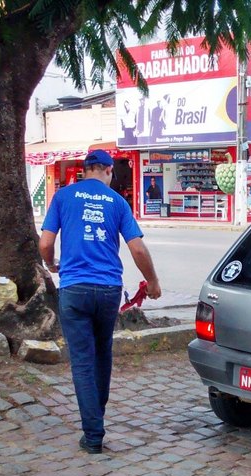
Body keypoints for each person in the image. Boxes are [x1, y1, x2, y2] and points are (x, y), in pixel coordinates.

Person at [39, 150, 161, 454]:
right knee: (102, 354)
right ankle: (98, 415)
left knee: (82, 361)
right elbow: (139, 250)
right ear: (107, 170)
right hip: (108, 290)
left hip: (74, 289)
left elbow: (45, 242)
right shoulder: (117, 202)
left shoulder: (63, 197)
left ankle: (93, 434)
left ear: (85, 170)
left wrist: (51, 263)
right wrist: (154, 282)